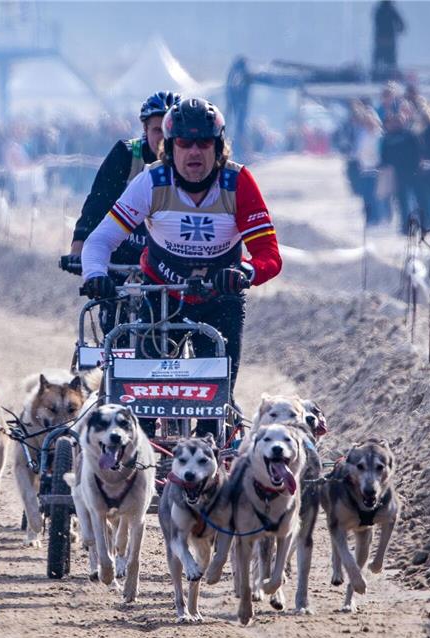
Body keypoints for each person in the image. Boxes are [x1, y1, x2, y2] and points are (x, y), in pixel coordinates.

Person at [79, 98, 282, 439]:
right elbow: (100, 241)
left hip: (220, 298)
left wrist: (245, 271)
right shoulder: (151, 181)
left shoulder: (238, 182)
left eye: (204, 143)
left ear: (219, 148)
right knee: (140, 401)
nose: (194, 153)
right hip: (159, 296)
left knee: (216, 404)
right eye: (184, 143)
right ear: (168, 147)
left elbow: (269, 254)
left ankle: (212, 449)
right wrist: (95, 274)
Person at [68, 91, 180, 261]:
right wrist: (78, 247)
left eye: (170, 130)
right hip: (123, 253)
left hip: (170, 258)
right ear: (145, 129)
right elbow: (98, 201)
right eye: (158, 130)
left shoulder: (192, 162)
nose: (164, 138)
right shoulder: (127, 154)